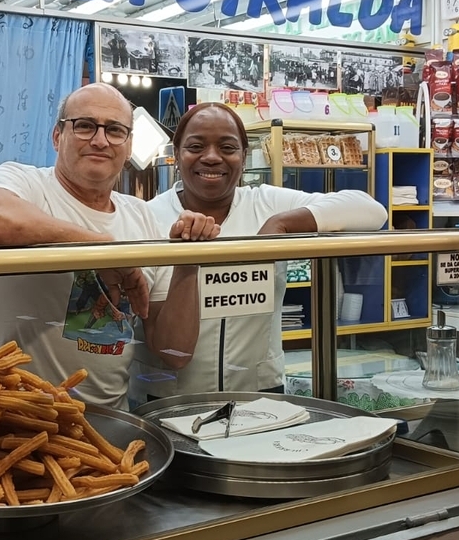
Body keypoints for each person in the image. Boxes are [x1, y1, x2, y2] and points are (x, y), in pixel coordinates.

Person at [0, 83, 217, 409]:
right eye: (84, 126)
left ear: (128, 147)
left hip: (109, 429)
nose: (100, 140)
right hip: (13, 422)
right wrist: (104, 249)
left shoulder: (144, 218)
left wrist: (188, 261)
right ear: (57, 136)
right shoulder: (23, 183)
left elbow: (174, 352)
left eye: (115, 130)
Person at [133, 103, 388, 400]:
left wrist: (281, 223)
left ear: (244, 156)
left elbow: (371, 210)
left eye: (228, 147)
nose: (212, 157)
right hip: (168, 397)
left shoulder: (266, 203)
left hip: (261, 393)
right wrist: (187, 260)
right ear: (176, 155)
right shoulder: (148, 217)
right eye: (196, 146)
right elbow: (172, 352)